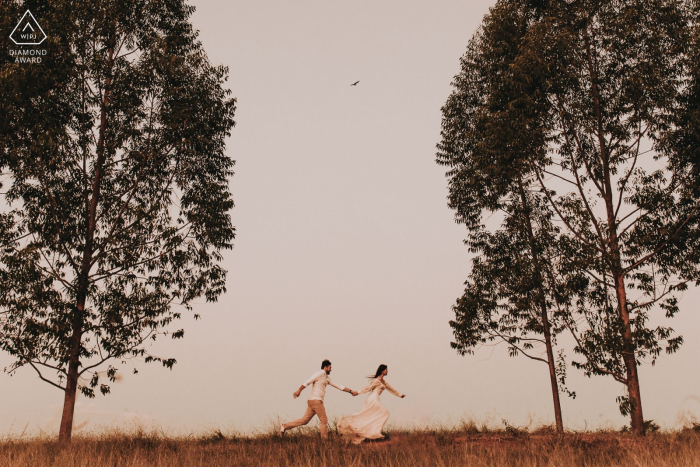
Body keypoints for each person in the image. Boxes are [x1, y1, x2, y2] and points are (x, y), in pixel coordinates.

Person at [280, 359, 358, 439]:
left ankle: (284, 426)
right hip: (316, 401)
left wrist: (351, 391)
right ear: (326, 367)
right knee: (324, 420)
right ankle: (324, 441)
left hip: (313, 401)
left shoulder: (327, 378)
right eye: (330, 367)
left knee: (304, 420)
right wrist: (298, 391)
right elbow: (307, 382)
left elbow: (339, 386)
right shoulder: (319, 374)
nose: (331, 369)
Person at [337, 364, 406, 444]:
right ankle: (372, 432)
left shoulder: (383, 381)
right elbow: (368, 388)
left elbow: (391, 389)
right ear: (382, 371)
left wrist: (400, 395)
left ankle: (362, 433)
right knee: (384, 413)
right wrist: (357, 392)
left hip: (375, 399)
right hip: (372, 399)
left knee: (369, 417)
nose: (387, 371)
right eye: (386, 370)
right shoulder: (376, 381)